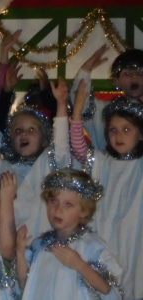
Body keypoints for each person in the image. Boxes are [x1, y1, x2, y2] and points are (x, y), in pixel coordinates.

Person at [70, 80, 143, 300]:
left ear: (140, 134)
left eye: (126, 129)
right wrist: (77, 109)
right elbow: (78, 146)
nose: (118, 136)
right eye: (113, 130)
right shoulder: (102, 162)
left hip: (135, 238)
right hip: (106, 235)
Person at [16, 168, 123, 300]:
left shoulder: (92, 246)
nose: (58, 209)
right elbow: (25, 285)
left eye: (68, 204)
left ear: (83, 211)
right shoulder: (40, 245)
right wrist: (20, 253)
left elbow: (108, 289)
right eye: (54, 201)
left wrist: (79, 265)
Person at [69, 46, 143, 151]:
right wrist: (85, 70)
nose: (134, 78)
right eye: (127, 73)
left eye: (140, 73)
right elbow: (80, 101)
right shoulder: (107, 111)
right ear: (116, 81)